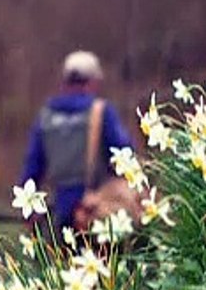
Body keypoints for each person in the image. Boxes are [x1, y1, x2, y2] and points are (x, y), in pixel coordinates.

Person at [19, 51, 134, 233]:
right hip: (96, 210)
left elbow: (32, 166)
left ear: (65, 81)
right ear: (93, 81)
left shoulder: (46, 115)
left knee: (64, 258)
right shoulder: (101, 111)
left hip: (60, 210)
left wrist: (29, 211)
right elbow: (126, 156)